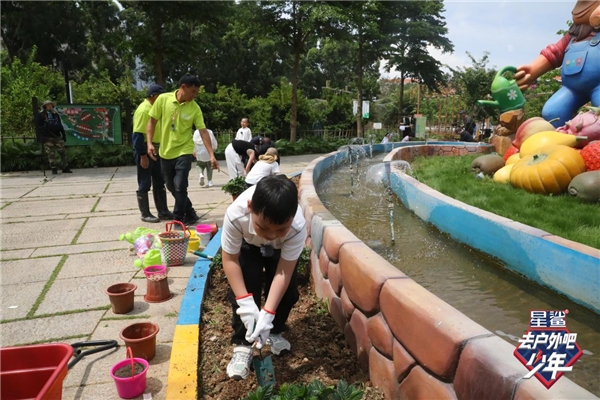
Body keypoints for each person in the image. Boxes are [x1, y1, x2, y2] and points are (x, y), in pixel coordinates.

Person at [221, 175, 307, 380]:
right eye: (263, 227)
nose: (271, 234)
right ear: (250, 207)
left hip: (281, 250)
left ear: (293, 216)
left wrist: (268, 312)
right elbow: (230, 260)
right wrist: (245, 303)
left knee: (286, 293)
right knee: (245, 287)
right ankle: (243, 343)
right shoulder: (235, 215)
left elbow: (283, 271)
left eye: (280, 229)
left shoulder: (297, 227)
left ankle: (274, 331)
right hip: (247, 243)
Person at [146, 74, 218, 227]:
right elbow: (151, 121)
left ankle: (178, 218)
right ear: (183, 87)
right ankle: (190, 213)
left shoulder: (194, 108)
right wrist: (150, 143)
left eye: (196, 92)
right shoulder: (163, 100)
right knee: (171, 186)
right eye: (193, 91)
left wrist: (211, 155)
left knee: (180, 185)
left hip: (184, 151)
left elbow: (203, 131)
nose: (195, 95)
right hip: (165, 152)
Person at [132, 84, 174, 223]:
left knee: (159, 181)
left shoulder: (156, 109)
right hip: (144, 148)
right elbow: (137, 135)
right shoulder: (144, 110)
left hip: (156, 148)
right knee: (144, 182)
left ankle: (163, 211)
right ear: (154, 96)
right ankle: (145, 213)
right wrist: (142, 155)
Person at [34, 100, 72, 175]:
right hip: (47, 137)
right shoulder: (41, 115)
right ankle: (53, 168)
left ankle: (65, 167)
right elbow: (38, 127)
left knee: (62, 152)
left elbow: (60, 125)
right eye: (48, 105)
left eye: (51, 105)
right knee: (50, 153)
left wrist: (63, 135)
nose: (49, 106)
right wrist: (42, 137)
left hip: (57, 136)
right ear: (45, 107)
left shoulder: (55, 114)